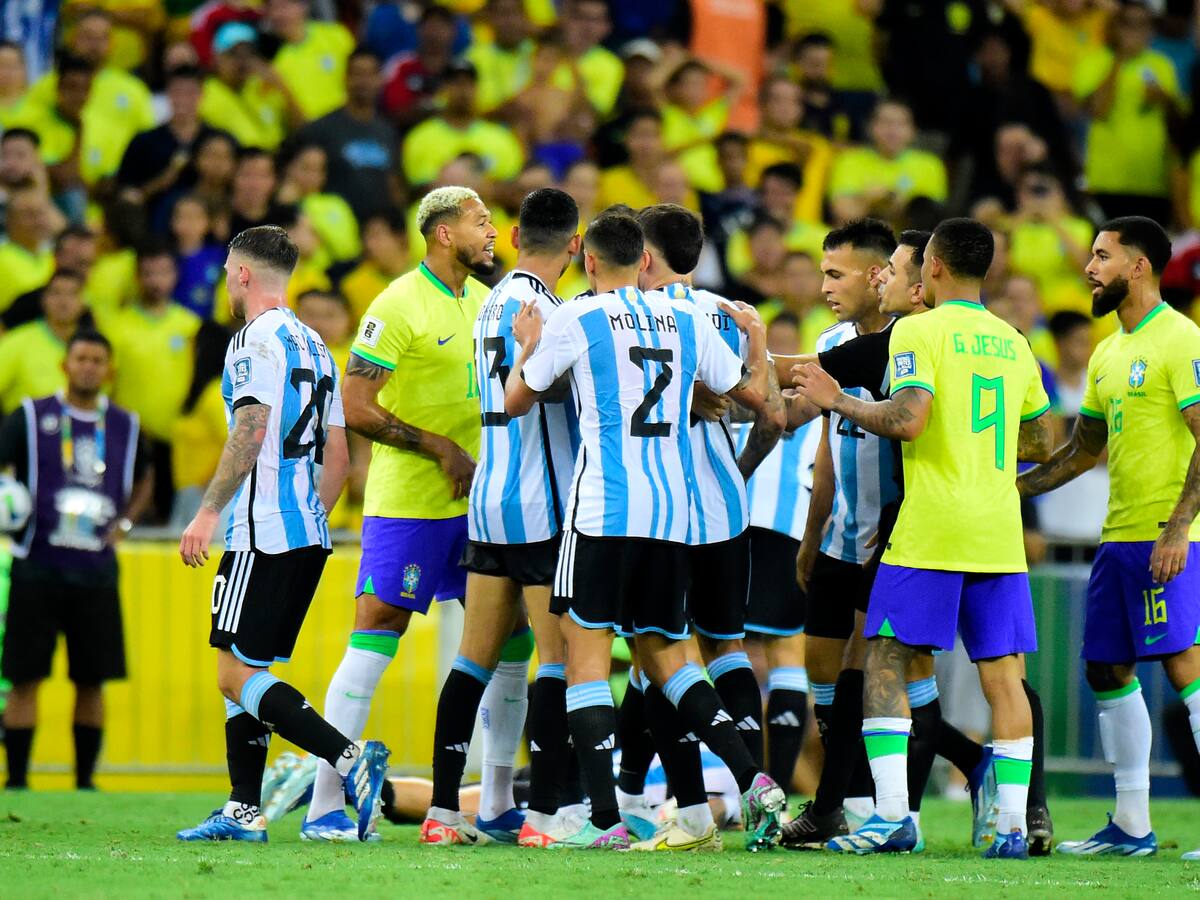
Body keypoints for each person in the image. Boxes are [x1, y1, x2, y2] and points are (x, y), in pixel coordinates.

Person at [502, 211, 786, 851]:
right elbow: (756, 395)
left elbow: (518, 399)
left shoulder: (578, 317)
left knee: (586, 661)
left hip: (602, 511)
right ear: (645, 262)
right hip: (673, 517)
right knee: (669, 659)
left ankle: (603, 821)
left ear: (593, 262)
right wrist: (759, 342)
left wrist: (527, 343)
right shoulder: (687, 318)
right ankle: (752, 774)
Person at [795, 217, 1055, 858]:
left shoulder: (917, 330)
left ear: (932, 266)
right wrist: (984, 461)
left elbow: (909, 420)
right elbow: (1041, 442)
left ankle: (890, 818)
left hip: (931, 528)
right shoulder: (1014, 340)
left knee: (883, 658)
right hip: (998, 533)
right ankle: (1015, 826)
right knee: (1004, 678)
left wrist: (839, 401)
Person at [175, 225, 390, 843]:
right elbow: (340, 454)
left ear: (242, 274)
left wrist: (210, 512)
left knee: (231, 675)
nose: (223, 280)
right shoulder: (317, 345)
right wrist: (308, 515)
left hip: (258, 528)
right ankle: (244, 810)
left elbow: (250, 428)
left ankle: (349, 759)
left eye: (225, 271)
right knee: (250, 668)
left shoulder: (252, 339)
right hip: (306, 529)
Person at [305, 187, 498, 839]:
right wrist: (436, 445)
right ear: (443, 234)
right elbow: (355, 404)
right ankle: (324, 803)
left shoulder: (485, 301)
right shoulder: (397, 303)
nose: (492, 229)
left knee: (508, 638)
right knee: (377, 628)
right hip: (410, 505)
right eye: (479, 220)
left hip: (481, 505)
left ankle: (496, 804)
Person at [1018, 217, 1200, 859]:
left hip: (1168, 535)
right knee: (1105, 668)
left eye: (1102, 256)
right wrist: (1009, 491)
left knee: (1187, 667)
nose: (1089, 267)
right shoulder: (1107, 350)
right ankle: (1131, 826)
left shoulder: (1179, 339)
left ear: (1140, 265)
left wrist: (1178, 527)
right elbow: (1080, 452)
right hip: (1118, 537)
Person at [613, 203, 784, 852]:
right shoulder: (724, 312)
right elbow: (766, 406)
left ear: (646, 257)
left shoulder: (630, 313)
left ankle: (691, 811)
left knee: (660, 654)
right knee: (727, 649)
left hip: (660, 507)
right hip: (726, 504)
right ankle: (741, 802)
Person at [420, 187, 582, 847]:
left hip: (490, 500)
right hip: (543, 502)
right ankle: (543, 817)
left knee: (473, 659)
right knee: (559, 657)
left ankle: (440, 812)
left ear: (516, 237)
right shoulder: (552, 312)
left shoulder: (486, 303)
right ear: (575, 245)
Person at [787, 220, 899, 847]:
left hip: (893, 536)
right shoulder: (831, 339)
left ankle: (854, 803)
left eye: (836, 274)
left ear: (878, 274)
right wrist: (811, 532)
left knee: (873, 674)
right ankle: (852, 795)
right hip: (837, 534)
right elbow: (824, 442)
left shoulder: (910, 341)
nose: (824, 285)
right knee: (822, 672)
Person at [0, 331, 153, 789]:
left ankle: (85, 782)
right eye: (81, 358)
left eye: (98, 360)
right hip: (37, 564)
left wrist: (124, 524)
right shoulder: (30, 416)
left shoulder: (126, 424)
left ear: (109, 370)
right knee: (24, 676)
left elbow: (146, 476)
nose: (89, 367)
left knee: (93, 678)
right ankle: (18, 780)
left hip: (96, 570)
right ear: (64, 365)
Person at [103, 245, 201, 522]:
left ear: (175, 276)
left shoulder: (189, 325)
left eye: (163, 273)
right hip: (129, 436)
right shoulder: (116, 327)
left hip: (176, 440)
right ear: (137, 277)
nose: (156, 281)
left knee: (168, 515)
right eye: (148, 273)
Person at [295, 47, 402, 221]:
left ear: (380, 80)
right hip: (335, 228)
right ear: (345, 78)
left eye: (370, 74)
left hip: (377, 233)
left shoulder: (388, 131)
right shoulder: (321, 129)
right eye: (357, 74)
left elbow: (393, 183)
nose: (363, 81)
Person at [401, 59, 525, 188]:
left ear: (477, 89)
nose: (462, 90)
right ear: (443, 89)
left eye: (468, 83)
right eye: (456, 83)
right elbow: (414, 190)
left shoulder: (501, 137)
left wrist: (488, 188)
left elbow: (515, 189)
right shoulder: (420, 138)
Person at [0, 269, 89, 414]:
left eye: (72, 293)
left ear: (84, 302)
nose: (63, 301)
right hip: (25, 432)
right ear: (43, 299)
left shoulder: (94, 347)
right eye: (56, 293)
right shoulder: (16, 342)